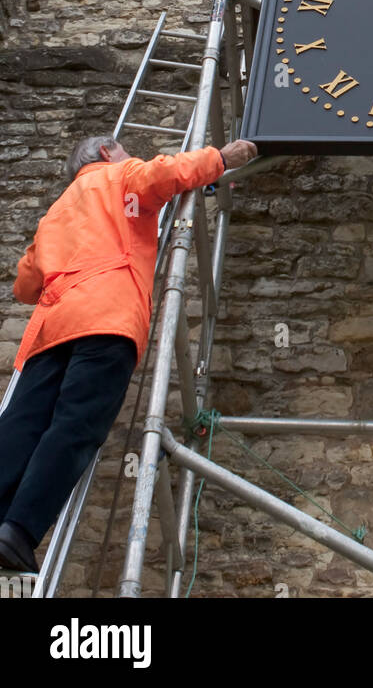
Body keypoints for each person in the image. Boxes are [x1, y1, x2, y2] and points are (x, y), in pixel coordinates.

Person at [0, 133, 258, 573]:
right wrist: (220, 158)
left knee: (21, 425)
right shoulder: (120, 174)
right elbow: (164, 173)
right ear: (105, 153)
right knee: (76, 423)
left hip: (52, 327)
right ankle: (18, 532)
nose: (128, 156)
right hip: (107, 314)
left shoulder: (56, 212)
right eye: (122, 150)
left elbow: (25, 283)